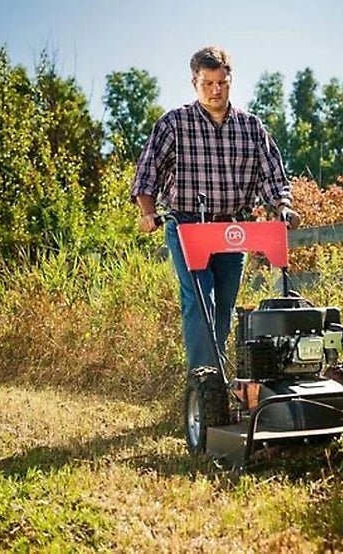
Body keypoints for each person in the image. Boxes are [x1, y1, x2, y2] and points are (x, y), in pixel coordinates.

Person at [131, 45, 300, 371]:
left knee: (223, 309)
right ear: (194, 83)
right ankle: (204, 378)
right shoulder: (174, 124)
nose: (215, 90)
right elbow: (147, 174)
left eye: (222, 82)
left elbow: (272, 176)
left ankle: (215, 382)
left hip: (231, 229)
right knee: (200, 300)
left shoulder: (251, 127)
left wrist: (283, 206)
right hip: (187, 226)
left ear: (230, 81)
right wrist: (148, 212)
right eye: (207, 83)